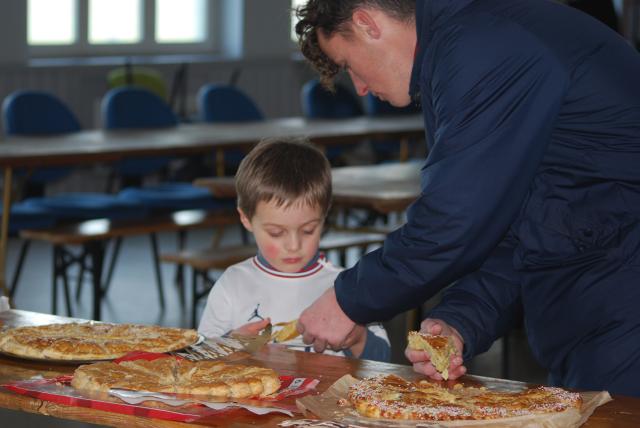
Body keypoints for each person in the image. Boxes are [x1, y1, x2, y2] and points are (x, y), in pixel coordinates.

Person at [294, 0, 640, 397]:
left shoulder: (480, 48)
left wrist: (348, 299)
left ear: (368, 23)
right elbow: (516, 222)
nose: (359, 87)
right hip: (602, 294)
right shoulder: (466, 45)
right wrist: (461, 320)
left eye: (349, 65)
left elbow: (455, 221)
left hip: (623, 292)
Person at [197, 138, 390, 362]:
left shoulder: (344, 287)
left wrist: (357, 339)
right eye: (276, 233)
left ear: (324, 216)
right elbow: (199, 360)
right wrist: (230, 344)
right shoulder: (233, 284)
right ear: (246, 219)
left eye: (308, 230)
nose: (294, 245)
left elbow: (382, 361)